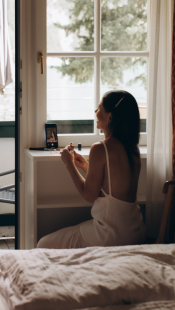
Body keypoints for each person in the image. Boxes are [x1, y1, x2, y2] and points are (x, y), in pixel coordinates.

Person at [37, 90, 145, 249]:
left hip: (111, 236)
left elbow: (88, 195)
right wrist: (86, 166)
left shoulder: (101, 148)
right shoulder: (133, 149)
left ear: (110, 116)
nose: (95, 112)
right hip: (135, 232)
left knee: (43, 244)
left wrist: (69, 164)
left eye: (99, 107)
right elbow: (115, 184)